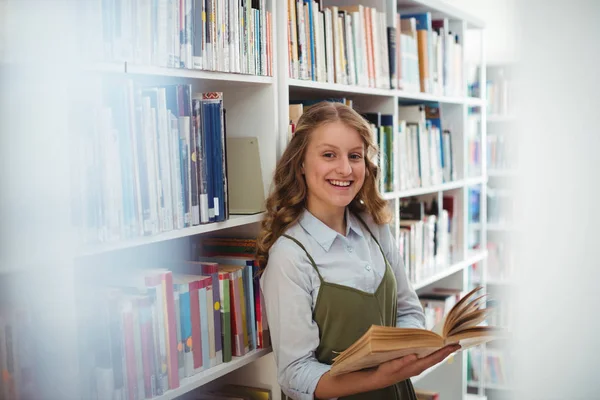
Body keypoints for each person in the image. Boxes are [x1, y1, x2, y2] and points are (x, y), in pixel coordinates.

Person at [256, 102, 460, 400]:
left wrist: (410, 350)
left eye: (355, 156)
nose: (345, 169)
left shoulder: (374, 227)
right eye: (329, 155)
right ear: (300, 163)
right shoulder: (290, 256)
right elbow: (295, 374)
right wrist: (377, 377)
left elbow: (408, 308)